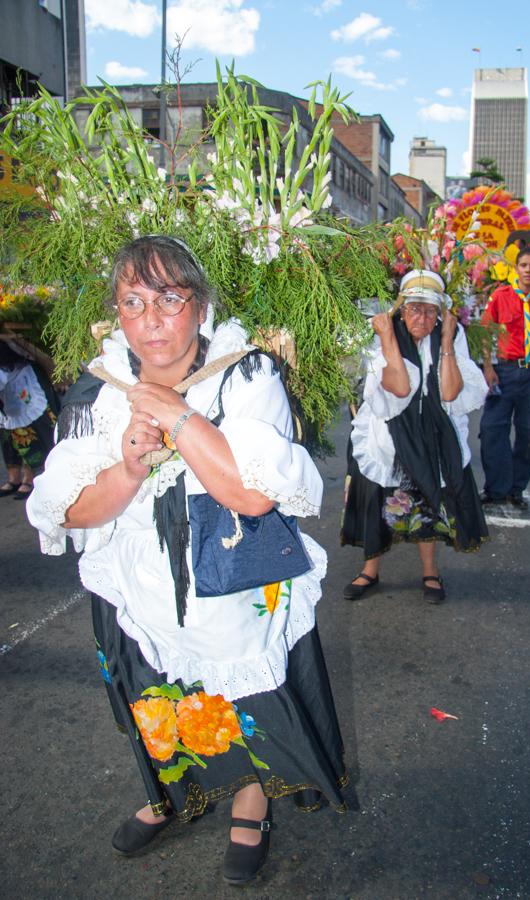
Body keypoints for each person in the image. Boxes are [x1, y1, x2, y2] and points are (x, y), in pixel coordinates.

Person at [27, 236, 345, 884]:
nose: (151, 320)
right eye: (133, 302)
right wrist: (127, 466)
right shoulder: (100, 391)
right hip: (136, 590)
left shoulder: (246, 374)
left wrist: (179, 418)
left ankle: (251, 804)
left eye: (169, 300)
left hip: (227, 587)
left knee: (246, 700)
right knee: (154, 698)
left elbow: (252, 494)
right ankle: (167, 792)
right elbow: (68, 511)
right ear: (117, 312)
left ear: (199, 308)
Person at [341, 270, 489, 604]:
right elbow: (399, 388)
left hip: (432, 434)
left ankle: (430, 571)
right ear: (401, 309)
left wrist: (448, 341)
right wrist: (389, 339)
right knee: (376, 502)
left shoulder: (450, 334)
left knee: (428, 502)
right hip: (385, 434)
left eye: (430, 310)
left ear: (440, 314)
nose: (421, 317)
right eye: (413, 309)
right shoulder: (383, 331)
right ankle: (370, 570)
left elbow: (450, 392)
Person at [479, 247, 530, 510]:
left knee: (528, 433)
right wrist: (488, 367)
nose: (528, 270)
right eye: (523, 265)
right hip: (504, 372)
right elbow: (484, 332)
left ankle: (517, 489)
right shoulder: (500, 297)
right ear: (516, 268)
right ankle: (495, 489)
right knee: (492, 430)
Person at [0, 337, 59, 498]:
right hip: (7, 390)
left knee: (33, 432)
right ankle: (15, 477)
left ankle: (30, 477)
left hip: (21, 379)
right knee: (9, 436)